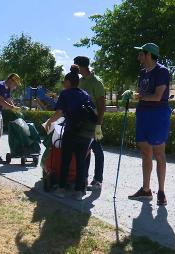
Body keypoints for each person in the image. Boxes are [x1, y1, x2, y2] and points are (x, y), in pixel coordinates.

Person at [44, 65, 96, 201]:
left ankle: (61, 189)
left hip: (71, 131)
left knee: (65, 160)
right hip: (85, 133)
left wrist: (49, 122)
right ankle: (79, 191)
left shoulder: (65, 94)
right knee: (81, 162)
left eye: (63, 82)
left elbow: (59, 112)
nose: (63, 84)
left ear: (68, 82)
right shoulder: (85, 94)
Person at [128, 43, 171, 206]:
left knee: (159, 153)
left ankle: (161, 191)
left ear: (148, 55)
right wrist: (133, 95)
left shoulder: (162, 71)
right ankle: (146, 190)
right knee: (145, 153)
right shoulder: (142, 72)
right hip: (143, 114)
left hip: (158, 115)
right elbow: (142, 93)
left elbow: (158, 96)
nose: (138, 56)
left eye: (140, 53)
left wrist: (140, 97)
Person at [74, 56, 106, 191]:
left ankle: (98, 180)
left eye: (76, 66)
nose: (75, 68)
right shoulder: (79, 81)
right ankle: (84, 178)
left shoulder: (96, 82)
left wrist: (99, 124)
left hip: (93, 123)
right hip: (81, 123)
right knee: (84, 151)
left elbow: (102, 106)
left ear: (81, 67)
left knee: (97, 150)